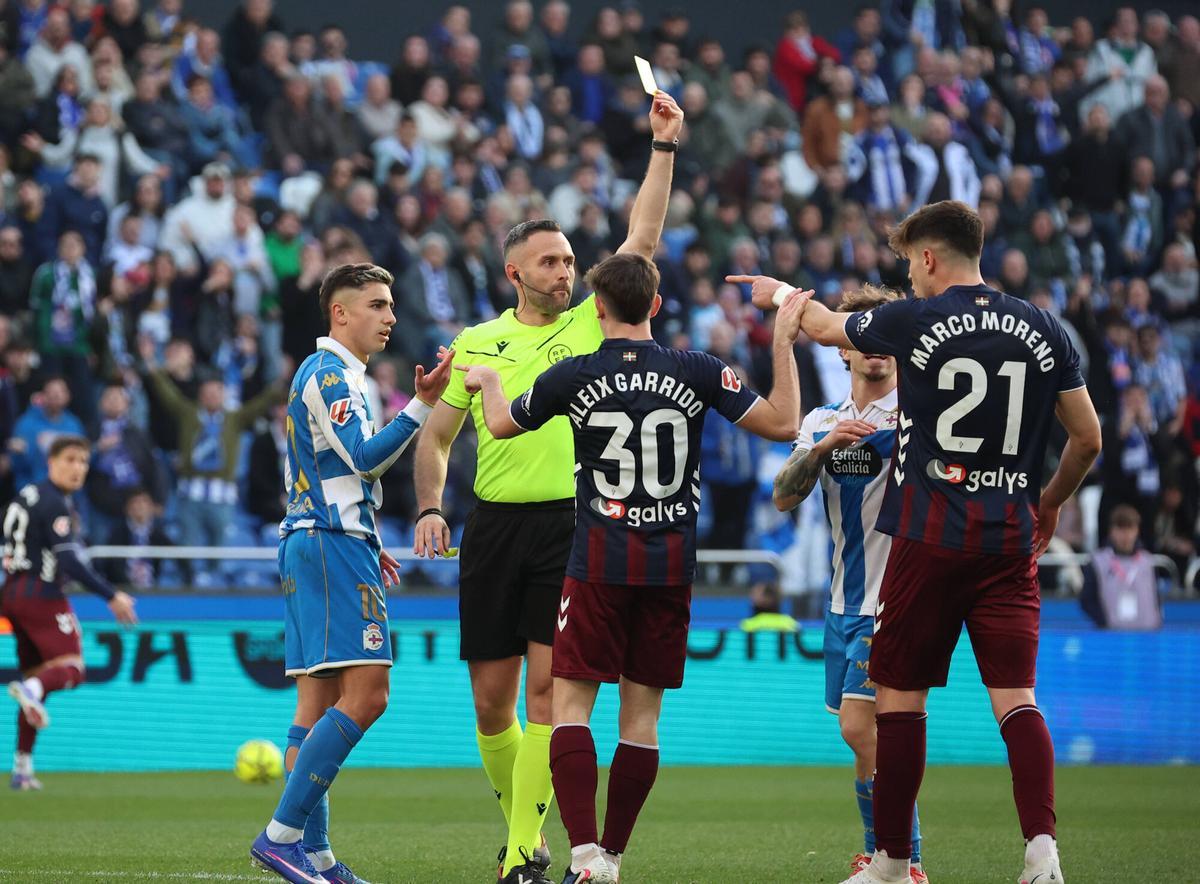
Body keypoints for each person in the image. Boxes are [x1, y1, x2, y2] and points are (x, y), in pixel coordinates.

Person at [730, 199, 1103, 884]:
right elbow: (1088, 440)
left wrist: (777, 294)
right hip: (1008, 542)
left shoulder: (917, 320)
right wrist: (1047, 505)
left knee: (898, 703)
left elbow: (820, 323)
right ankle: (1042, 853)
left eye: (910, 262)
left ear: (928, 258)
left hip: (928, 540)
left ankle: (895, 863)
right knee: (1017, 699)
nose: (911, 273)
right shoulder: (1047, 328)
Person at [458, 252, 806, 884]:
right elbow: (784, 423)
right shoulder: (698, 370)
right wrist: (782, 339)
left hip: (594, 564)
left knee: (569, 710)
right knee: (641, 720)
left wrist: (487, 383)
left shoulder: (573, 375)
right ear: (655, 305)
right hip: (669, 568)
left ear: (597, 308)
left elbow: (503, 426)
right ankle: (612, 859)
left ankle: (584, 856)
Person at [412, 91, 684, 884]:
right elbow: (437, 437)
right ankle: (518, 833)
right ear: (515, 273)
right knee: (491, 706)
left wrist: (661, 147)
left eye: (569, 261)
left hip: (573, 526)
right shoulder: (477, 341)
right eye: (551, 263)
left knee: (546, 693)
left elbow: (644, 238)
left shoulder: (592, 322)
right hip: (493, 528)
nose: (565, 273)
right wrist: (430, 506)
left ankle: (526, 855)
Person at [248, 263, 454, 884]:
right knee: (369, 695)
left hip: (322, 539)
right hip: (332, 546)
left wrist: (368, 532)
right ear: (340, 313)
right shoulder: (332, 374)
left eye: (391, 304)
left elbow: (334, 474)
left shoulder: (331, 375)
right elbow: (364, 459)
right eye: (378, 304)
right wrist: (422, 403)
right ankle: (280, 838)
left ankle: (317, 857)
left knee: (317, 704)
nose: (391, 315)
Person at [772, 285, 927, 883]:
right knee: (863, 739)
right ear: (843, 349)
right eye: (867, 340)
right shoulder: (820, 422)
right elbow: (785, 496)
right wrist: (823, 451)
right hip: (841, 603)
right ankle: (882, 855)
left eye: (889, 340)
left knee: (862, 729)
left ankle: (904, 861)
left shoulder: (917, 418)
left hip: (894, 600)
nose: (877, 352)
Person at [3, 435, 138, 791]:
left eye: (83, 461)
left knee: (39, 677)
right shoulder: (55, 504)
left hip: (11, 592)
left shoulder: (26, 495)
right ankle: (29, 690)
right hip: (41, 594)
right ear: (51, 461)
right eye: (71, 459)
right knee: (73, 669)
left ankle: (22, 769)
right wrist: (112, 595)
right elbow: (68, 561)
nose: (78, 468)